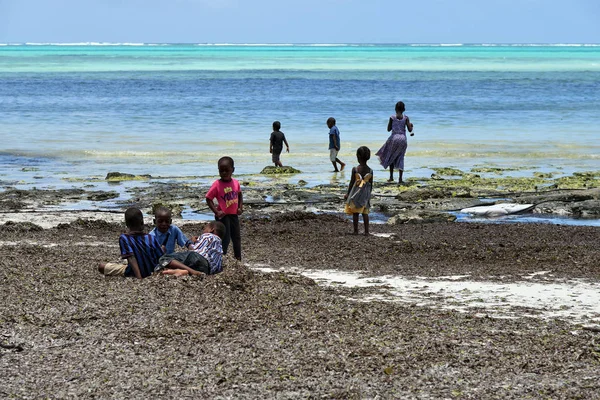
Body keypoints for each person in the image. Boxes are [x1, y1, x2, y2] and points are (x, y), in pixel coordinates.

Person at [98, 207, 164, 279]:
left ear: (127, 224)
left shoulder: (124, 238)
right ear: (142, 222)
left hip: (134, 272)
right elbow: (161, 257)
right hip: (152, 269)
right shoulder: (151, 238)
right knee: (161, 249)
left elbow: (131, 258)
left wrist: (139, 277)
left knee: (101, 266)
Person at [206, 156, 243, 261]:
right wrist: (216, 212)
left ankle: (238, 258)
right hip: (223, 216)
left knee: (236, 237)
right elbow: (208, 198)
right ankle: (221, 258)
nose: (224, 173)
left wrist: (240, 207)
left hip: (233, 214)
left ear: (233, 170)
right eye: (221, 171)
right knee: (224, 239)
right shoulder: (217, 184)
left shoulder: (235, 183)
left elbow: (239, 194)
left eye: (227, 170)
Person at [157, 221, 226, 277]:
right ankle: (185, 271)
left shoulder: (207, 236)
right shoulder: (220, 248)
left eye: (205, 229)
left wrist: (192, 241)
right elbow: (218, 268)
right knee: (189, 264)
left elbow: (194, 250)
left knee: (165, 258)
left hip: (197, 257)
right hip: (206, 269)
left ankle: (192, 272)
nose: (203, 231)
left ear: (211, 230)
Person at [376, 101, 414, 184]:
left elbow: (388, 129)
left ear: (395, 108)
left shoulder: (392, 117)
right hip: (403, 139)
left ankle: (391, 177)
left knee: (391, 156)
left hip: (394, 138)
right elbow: (410, 130)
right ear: (404, 109)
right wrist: (411, 125)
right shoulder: (406, 118)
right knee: (401, 157)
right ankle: (400, 179)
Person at [344, 146, 373, 235]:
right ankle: (366, 231)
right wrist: (369, 194)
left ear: (358, 156)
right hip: (365, 194)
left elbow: (352, 182)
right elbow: (371, 184)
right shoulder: (370, 171)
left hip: (356, 194)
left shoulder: (355, 169)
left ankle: (356, 231)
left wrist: (348, 194)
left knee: (355, 213)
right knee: (365, 213)